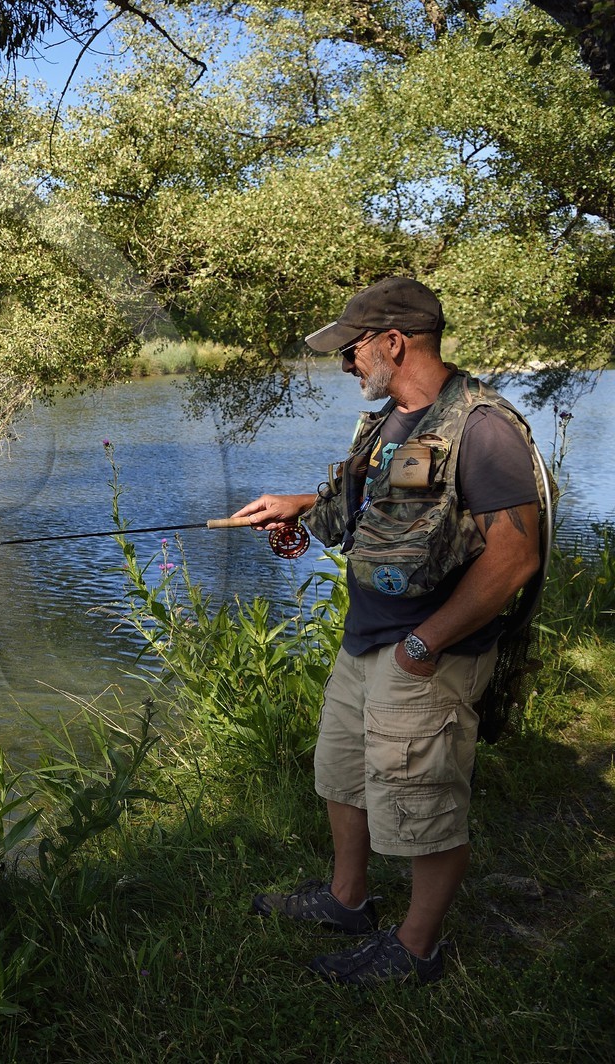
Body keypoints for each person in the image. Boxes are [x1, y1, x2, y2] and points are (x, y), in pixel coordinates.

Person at [233, 276, 547, 985]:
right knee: (343, 775)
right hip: (366, 638)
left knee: (422, 800)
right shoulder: (390, 421)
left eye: (351, 349)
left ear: (393, 342)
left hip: (426, 655)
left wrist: (423, 644)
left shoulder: (482, 426)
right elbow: (372, 503)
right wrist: (301, 504)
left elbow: (515, 555)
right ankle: (348, 901)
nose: (344, 363)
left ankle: (416, 949)